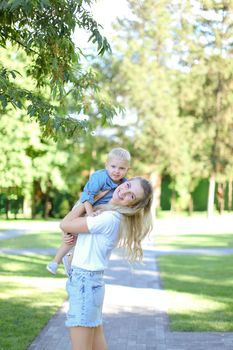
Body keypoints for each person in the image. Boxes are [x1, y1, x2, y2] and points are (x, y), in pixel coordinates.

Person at [60, 176, 153, 350]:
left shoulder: (109, 218)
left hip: (85, 284)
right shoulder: (109, 215)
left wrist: (88, 198)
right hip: (90, 284)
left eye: (131, 196)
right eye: (127, 185)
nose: (124, 191)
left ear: (132, 206)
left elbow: (65, 224)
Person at [46, 147, 131, 275]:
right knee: (70, 237)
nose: (116, 171)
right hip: (85, 206)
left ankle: (71, 264)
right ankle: (55, 261)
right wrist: (90, 213)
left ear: (127, 169)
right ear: (106, 165)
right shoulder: (100, 177)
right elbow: (87, 196)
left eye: (121, 168)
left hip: (98, 211)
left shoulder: (125, 184)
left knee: (83, 240)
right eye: (113, 166)